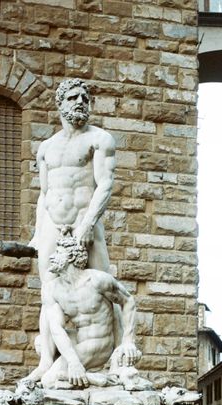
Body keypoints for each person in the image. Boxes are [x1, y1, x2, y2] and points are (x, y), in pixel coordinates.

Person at [27, 78, 117, 383]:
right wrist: (38, 234)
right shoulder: (46, 148)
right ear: (60, 103)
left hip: (85, 221)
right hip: (52, 223)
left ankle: (116, 360)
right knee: (48, 292)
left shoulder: (99, 139)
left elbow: (104, 184)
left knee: (104, 287)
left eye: (85, 98)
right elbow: (44, 193)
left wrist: (87, 225)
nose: (80, 102)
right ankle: (45, 362)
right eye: (73, 97)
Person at [36, 229, 140, 389]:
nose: (51, 257)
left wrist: (128, 341)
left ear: (70, 257)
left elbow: (128, 301)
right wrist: (73, 362)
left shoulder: (97, 280)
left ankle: (89, 377)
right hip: (78, 339)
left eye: (57, 253)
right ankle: (92, 378)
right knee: (40, 343)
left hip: (98, 343)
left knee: (49, 380)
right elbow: (56, 329)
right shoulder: (52, 289)